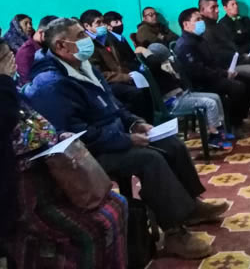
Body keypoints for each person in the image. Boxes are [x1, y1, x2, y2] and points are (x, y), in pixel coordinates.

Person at [25, 18, 226, 259]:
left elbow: (114, 105)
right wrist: (126, 140)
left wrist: (134, 122)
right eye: (80, 36)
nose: (88, 39)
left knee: (171, 143)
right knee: (150, 159)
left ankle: (191, 207)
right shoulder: (51, 84)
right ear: (60, 46)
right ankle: (174, 232)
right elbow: (78, 134)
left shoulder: (84, 66)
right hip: (88, 153)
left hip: (113, 135)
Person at [0, 32, 128, 268]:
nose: (12, 65)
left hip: (43, 183)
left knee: (117, 205)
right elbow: (2, 125)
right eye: (4, 59)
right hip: (10, 200)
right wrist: (3, 80)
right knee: (93, 227)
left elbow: (36, 125)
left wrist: (57, 138)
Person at [175, 8, 250, 135]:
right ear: (186, 24)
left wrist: (226, 72)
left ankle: (239, 118)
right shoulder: (186, 45)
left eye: (201, 19)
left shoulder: (200, 39)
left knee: (247, 80)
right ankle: (233, 125)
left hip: (211, 76)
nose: (201, 22)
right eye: (197, 19)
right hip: (200, 83)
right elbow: (198, 71)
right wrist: (224, 74)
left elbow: (212, 62)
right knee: (237, 87)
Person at [80, 10, 152, 122]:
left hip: (120, 75)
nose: (103, 25)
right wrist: (125, 77)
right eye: (98, 23)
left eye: (103, 22)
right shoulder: (87, 45)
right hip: (106, 83)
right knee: (135, 93)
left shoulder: (108, 38)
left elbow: (120, 62)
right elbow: (98, 73)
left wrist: (130, 73)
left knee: (146, 85)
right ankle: (139, 124)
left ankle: (151, 124)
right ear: (87, 26)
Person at [15, 15, 58, 86]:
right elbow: (27, 84)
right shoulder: (26, 52)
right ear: (41, 33)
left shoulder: (46, 46)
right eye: (54, 37)